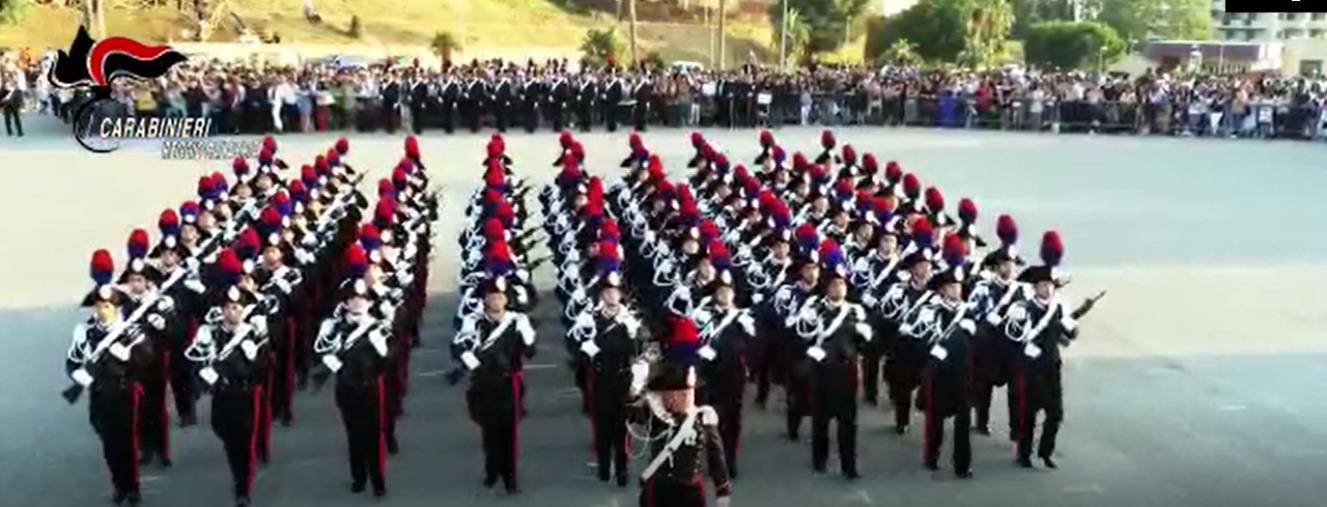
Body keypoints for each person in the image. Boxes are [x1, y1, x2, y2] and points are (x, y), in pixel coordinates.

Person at [1003, 231, 1100, 469]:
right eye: (1044, 285)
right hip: (1030, 369)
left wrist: (1071, 325)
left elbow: (1068, 337)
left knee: (1055, 414)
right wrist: (1028, 349)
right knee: (1028, 414)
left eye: (1051, 286)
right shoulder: (1023, 308)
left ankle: (1046, 452)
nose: (1048, 289)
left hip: (1051, 366)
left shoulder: (1058, 309)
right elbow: (1013, 336)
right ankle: (1023, 454)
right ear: (1035, 286)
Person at [66, 249, 156, 506]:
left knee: (127, 443)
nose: (103, 311)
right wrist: (80, 376)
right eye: (99, 306)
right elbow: (72, 361)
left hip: (125, 392)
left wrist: (129, 355)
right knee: (108, 444)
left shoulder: (130, 330)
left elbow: (147, 358)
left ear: (116, 307)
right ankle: (119, 484)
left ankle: (132, 487)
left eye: (108, 306)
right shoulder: (85, 332)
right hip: (100, 393)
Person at [188, 261, 270, 507]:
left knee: (244, 442)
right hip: (222, 395)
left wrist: (255, 357)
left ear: (244, 310)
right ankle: (240, 472)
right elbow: (196, 361)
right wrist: (204, 376)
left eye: (237, 307)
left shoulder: (254, 334)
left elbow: (266, 369)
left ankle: (242, 486)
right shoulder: (213, 333)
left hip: (246, 394)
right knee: (225, 434)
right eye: (228, 307)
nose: (232, 311)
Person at [313, 250, 392, 498]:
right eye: (352, 299)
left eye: (362, 299)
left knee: (373, 434)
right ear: (345, 303)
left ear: (369, 302)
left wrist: (379, 346)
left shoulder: (376, 326)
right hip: (346, 387)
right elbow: (320, 351)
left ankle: (377, 479)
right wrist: (331, 360)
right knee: (353, 434)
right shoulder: (334, 327)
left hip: (369, 386)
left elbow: (387, 358)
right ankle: (358, 476)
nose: (357, 302)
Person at [452, 275, 537, 494]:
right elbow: (459, 348)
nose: (496, 301)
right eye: (492, 297)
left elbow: (530, 352)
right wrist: (473, 364)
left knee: (509, 433)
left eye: (500, 297)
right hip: (484, 382)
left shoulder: (517, 320)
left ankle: (510, 477)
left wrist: (528, 337)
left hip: (509, 383)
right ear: (485, 299)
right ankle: (492, 469)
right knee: (489, 431)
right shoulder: (475, 321)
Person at [793, 248, 869, 479]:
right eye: (834, 284)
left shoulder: (855, 311)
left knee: (848, 423)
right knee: (821, 421)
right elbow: (803, 335)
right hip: (823, 371)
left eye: (842, 284)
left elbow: (864, 344)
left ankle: (849, 466)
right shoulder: (814, 308)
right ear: (826, 287)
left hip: (847, 372)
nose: (838, 288)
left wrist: (863, 336)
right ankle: (820, 460)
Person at [909, 240, 974, 478]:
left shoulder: (970, 312)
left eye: (958, 286)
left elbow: (980, 341)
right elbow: (920, 338)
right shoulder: (930, 311)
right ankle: (931, 456)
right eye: (950, 287)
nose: (956, 290)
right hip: (938, 373)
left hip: (963, 373)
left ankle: (962, 465)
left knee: (964, 422)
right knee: (935, 420)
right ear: (942, 290)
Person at [573, 270, 643, 486]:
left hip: (623, 377)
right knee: (602, 426)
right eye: (607, 292)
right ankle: (604, 466)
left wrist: (638, 383)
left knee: (623, 428)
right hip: (601, 377)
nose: (612, 296)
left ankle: (622, 469)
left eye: (615, 292)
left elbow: (640, 355)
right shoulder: (590, 318)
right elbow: (578, 349)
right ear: (601, 295)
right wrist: (589, 348)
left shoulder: (630, 319)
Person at [632, 359, 733, 507]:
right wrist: (636, 387)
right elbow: (631, 414)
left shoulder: (702, 417)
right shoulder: (656, 415)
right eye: (667, 394)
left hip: (689, 489)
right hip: (659, 487)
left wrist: (722, 488)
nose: (673, 398)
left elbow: (715, 454)